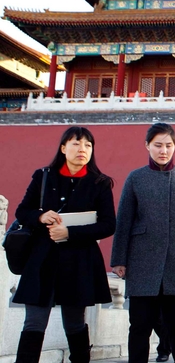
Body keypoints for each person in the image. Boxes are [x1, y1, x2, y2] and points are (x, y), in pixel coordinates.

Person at [11, 126, 116, 363]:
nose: (82, 149)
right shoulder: (43, 176)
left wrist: (69, 232)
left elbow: (109, 224)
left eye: (88, 145)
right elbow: (21, 211)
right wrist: (39, 216)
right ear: (63, 148)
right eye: (76, 143)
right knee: (34, 322)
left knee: (75, 322)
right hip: (42, 260)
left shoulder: (99, 183)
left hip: (78, 262)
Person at [111, 122, 175, 363]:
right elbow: (124, 221)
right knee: (140, 323)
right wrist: (119, 259)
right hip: (141, 259)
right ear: (147, 146)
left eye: (168, 145)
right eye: (158, 145)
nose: (163, 150)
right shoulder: (136, 178)